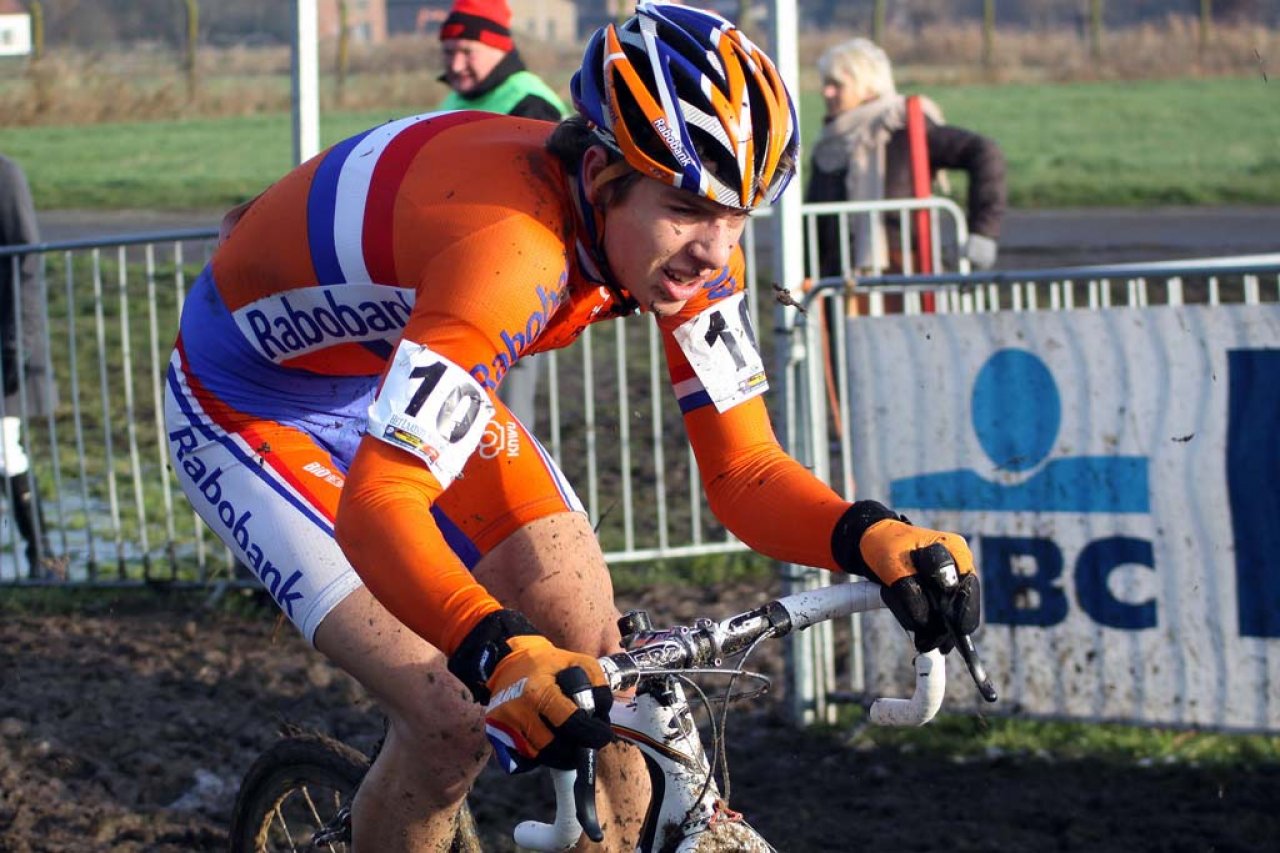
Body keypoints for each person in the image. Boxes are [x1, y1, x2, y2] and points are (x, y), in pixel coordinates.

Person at [163, 4, 982, 850]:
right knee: (448, 717)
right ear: (598, 175)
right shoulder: (511, 255)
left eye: (740, 215)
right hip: (250, 406)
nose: (715, 250)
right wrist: (496, 651)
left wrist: (867, 533)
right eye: (687, 208)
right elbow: (381, 504)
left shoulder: (685, 252)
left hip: (383, 359)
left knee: (596, 659)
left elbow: (746, 472)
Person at [436, 0, 568, 429]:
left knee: (503, 421)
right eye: (448, 52)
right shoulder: (457, 99)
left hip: (514, 284)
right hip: (457, 279)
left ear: (498, 48)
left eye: (466, 52)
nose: (456, 65)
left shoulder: (530, 105)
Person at [806, 37, 1007, 278]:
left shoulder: (901, 124)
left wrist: (983, 232)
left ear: (867, 86)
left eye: (836, 84)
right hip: (836, 278)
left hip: (900, 273)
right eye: (825, 83)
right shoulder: (828, 142)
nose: (826, 92)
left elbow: (984, 152)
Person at [0, 153, 53, 579]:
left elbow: (27, 262)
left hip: (5, 340)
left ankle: (43, 556)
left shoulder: (5, 174)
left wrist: (18, 341)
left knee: (4, 449)